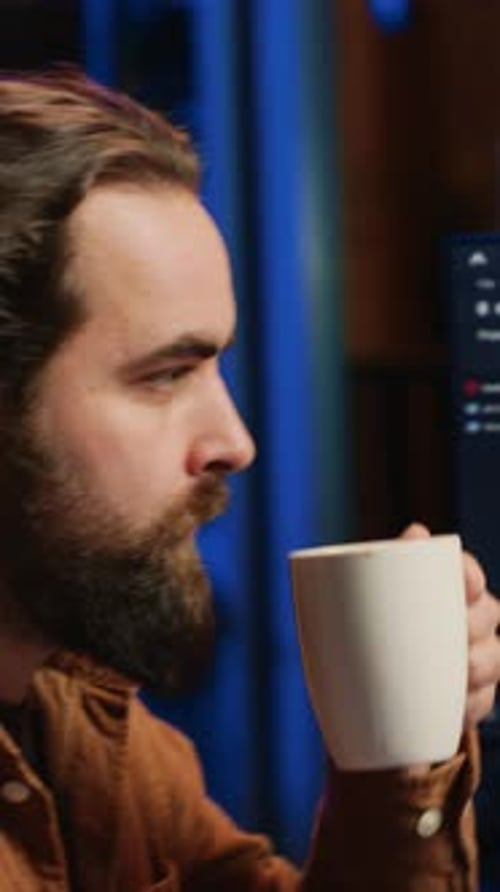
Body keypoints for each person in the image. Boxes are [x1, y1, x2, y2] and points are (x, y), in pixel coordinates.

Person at [0, 70, 497, 892]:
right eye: (165, 375)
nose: (235, 443)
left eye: (214, 368)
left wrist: (404, 754)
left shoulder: (80, 717)